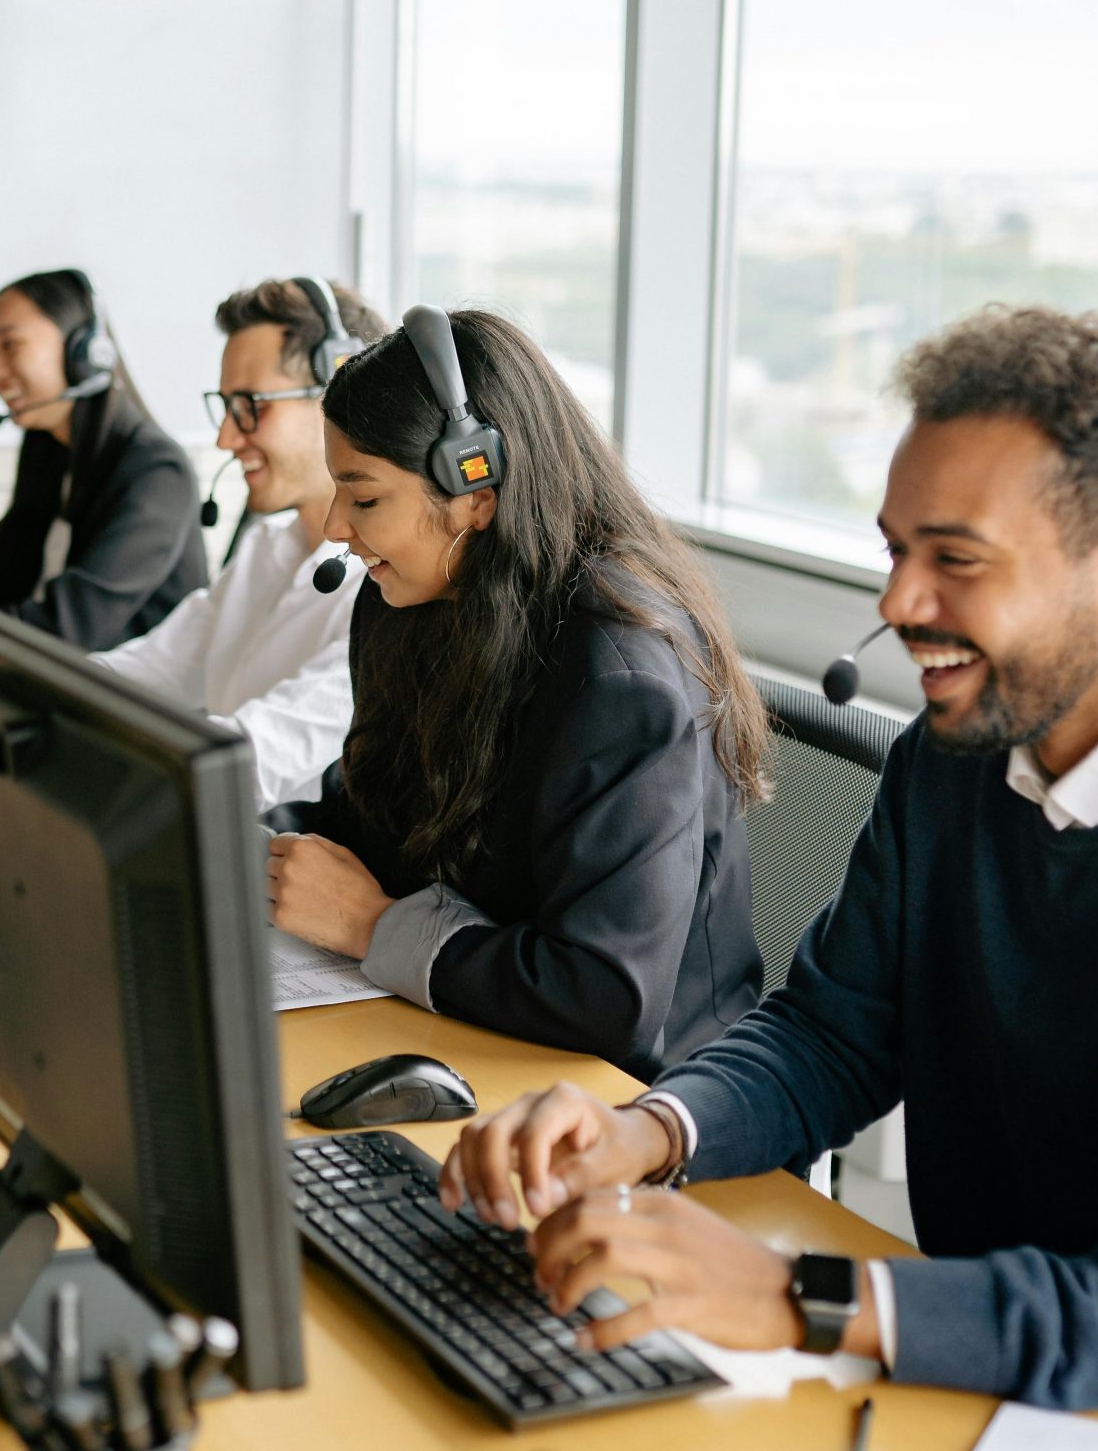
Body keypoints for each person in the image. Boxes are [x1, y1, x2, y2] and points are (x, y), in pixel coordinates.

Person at [442, 306, 1098, 1416]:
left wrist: (813, 1300)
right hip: (976, 1390)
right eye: (897, 550)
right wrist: (642, 1134)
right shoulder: (954, 761)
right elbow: (834, 1031)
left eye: (957, 560)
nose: (897, 604)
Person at [266, 305, 766, 1070]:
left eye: (363, 497)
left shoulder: (620, 675)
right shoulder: (411, 602)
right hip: (469, 1037)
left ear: (476, 488)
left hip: (634, 1102)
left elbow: (605, 997)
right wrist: (241, 846)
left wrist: (373, 930)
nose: (336, 524)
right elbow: (374, 812)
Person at [94, 275, 388, 807]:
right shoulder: (267, 548)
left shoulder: (388, 585)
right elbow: (150, 670)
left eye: (251, 405)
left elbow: (255, 761)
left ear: (342, 392)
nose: (226, 438)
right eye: (227, 406)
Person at [0, 268, 205, 652]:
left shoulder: (157, 471)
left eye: (11, 346)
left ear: (85, 352)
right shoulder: (48, 446)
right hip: (65, 679)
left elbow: (68, 628)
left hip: (133, 698)